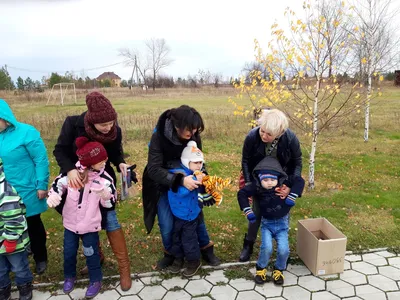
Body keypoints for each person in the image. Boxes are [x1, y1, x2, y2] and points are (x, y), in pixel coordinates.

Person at [53, 91, 132, 291]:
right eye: (104, 125)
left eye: (112, 123)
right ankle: (97, 257)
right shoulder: (73, 124)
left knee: (111, 220)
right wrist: (70, 170)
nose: (109, 128)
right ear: (92, 120)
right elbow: (60, 150)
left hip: (100, 184)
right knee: (84, 220)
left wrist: (121, 163)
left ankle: (124, 269)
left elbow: (115, 152)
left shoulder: (115, 130)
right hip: (77, 182)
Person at [142, 105, 220, 270]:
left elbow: (198, 160)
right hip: (162, 184)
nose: (192, 134)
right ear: (177, 126)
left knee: (195, 216)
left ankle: (204, 248)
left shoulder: (194, 136)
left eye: (195, 130)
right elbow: (154, 169)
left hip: (189, 182)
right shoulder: (159, 136)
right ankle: (172, 254)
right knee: (167, 224)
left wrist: (202, 175)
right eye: (189, 130)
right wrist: (179, 180)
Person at [47, 137, 116, 298]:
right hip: (70, 224)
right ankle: (69, 276)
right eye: (101, 160)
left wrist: (106, 196)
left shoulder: (104, 179)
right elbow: (58, 183)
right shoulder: (73, 174)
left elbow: (110, 203)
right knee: (69, 252)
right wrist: (54, 195)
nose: (104, 162)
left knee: (91, 253)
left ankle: (95, 280)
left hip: (90, 225)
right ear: (89, 162)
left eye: (105, 159)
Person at [239, 108, 303, 262]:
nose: (264, 135)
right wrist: (249, 183)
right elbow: (246, 161)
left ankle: (283, 249)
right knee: (257, 211)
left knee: (282, 212)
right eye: (262, 131)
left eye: (269, 134)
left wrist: (288, 184)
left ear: (279, 133)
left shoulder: (290, 139)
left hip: (281, 180)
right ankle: (248, 244)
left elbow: (297, 162)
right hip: (258, 179)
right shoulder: (252, 137)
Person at [238, 156, 305, 285]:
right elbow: (242, 194)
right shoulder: (257, 187)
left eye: (272, 179)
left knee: (284, 250)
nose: (269, 183)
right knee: (267, 247)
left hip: (282, 225)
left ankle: (279, 269)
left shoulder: (284, 182)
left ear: (278, 178)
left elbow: (299, 180)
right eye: (266, 180)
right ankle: (261, 268)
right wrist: (247, 210)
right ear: (260, 180)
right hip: (267, 224)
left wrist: (292, 195)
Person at [0, 99, 49, 274]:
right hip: (3, 195)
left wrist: (41, 185)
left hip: (26, 190)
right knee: (8, 226)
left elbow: (40, 159)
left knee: (32, 224)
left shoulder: (27, 133)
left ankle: (40, 257)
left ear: (4, 117)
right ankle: (17, 257)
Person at [167, 141, 210, 277]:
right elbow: (178, 193)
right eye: (195, 162)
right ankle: (178, 258)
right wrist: (192, 182)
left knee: (189, 239)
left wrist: (205, 182)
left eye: (200, 162)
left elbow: (205, 191)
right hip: (179, 213)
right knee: (176, 237)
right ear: (186, 162)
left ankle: (193, 261)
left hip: (192, 215)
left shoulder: (199, 173)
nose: (199, 165)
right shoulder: (178, 175)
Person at [0, 159, 33, 300]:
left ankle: (24, 286)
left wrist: (11, 240)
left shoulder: (5, 192)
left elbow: (14, 218)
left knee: (19, 266)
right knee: (0, 270)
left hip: (12, 241)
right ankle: (3, 288)